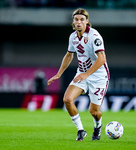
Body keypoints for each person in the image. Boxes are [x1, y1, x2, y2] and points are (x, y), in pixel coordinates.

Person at [47, 8, 109, 141]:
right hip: (82, 74)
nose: (79, 22)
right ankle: (81, 130)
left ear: (87, 21)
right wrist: (58, 74)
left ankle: (98, 126)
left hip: (98, 76)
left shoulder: (94, 35)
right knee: (67, 100)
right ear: (73, 22)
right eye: (76, 19)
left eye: (82, 19)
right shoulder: (73, 37)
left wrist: (86, 74)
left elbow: (102, 59)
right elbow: (69, 55)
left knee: (94, 112)